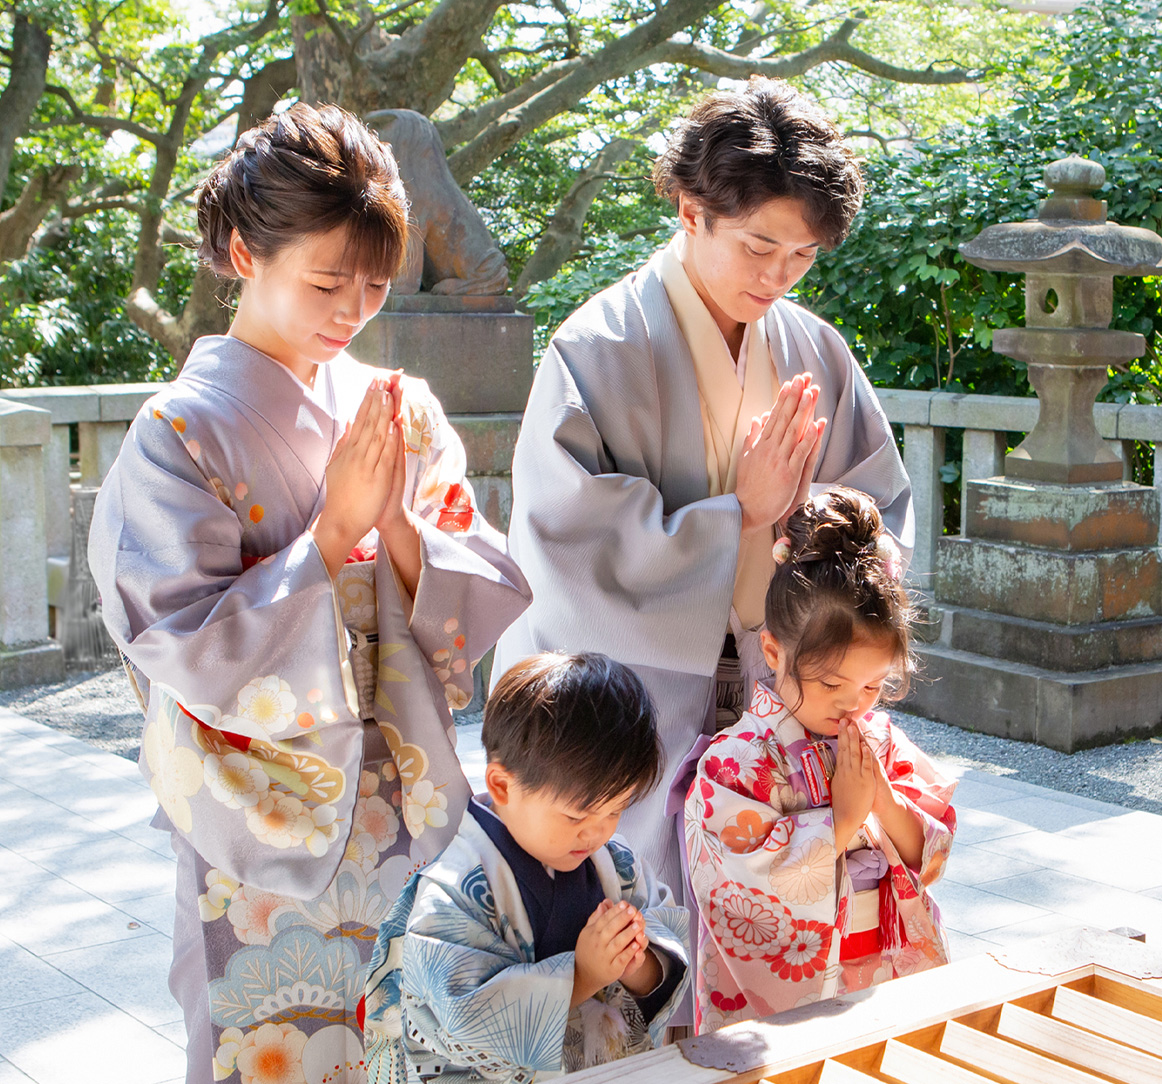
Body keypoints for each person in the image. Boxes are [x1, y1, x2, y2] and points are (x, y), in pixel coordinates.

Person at [88, 103, 532, 1084]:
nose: (350, 310)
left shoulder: (399, 404)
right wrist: (332, 536)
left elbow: (476, 574)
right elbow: (177, 638)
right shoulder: (179, 433)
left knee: (399, 1043)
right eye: (326, 281)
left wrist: (402, 531)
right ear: (245, 253)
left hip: (391, 799)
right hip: (259, 818)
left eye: (374, 286)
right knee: (266, 1049)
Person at [494, 78, 914, 904]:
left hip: (781, 694)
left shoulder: (814, 349)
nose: (779, 276)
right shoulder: (598, 347)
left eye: (802, 256)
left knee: (778, 930)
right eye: (759, 247)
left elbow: (879, 510)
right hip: (629, 703)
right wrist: (739, 516)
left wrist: (828, 537)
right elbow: (567, 540)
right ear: (691, 211)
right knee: (630, 941)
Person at [684, 487, 955, 1033]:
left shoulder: (882, 743)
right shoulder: (735, 764)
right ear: (774, 653)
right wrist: (845, 821)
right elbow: (735, 888)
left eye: (874, 685)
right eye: (832, 682)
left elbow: (932, 856)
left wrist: (883, 796)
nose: (854, 703)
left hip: (880, 963)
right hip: (796, 990)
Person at [363, 652, 690, 1082]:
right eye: (577, 816)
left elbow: (663, 954)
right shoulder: (456, 888)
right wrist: (582, 976)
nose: (596, 834)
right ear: (502, 785)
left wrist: (635, 964)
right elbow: (462, 1015)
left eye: (615, 811)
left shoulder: (618, 865)